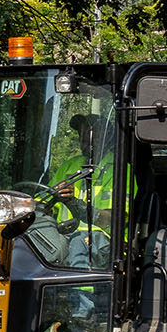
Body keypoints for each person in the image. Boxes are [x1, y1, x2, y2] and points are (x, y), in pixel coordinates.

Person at [49, 112, 116, 269]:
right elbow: (43, 202)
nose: (84, 141)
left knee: (80, 242)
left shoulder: (119, 170)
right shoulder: (69, 167)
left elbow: (111, 220)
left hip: (106, 239)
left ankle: (80, 293)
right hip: (64, 235)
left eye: (91, 136)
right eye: (82, 135)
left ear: (106, 138)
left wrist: (77, 205)